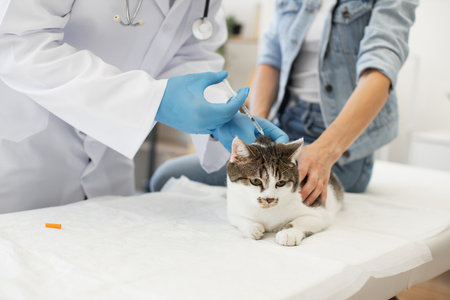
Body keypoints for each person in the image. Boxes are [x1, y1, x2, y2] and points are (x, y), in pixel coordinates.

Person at [0, 0, 288, 213]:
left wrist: (224, 117)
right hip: (28, 153)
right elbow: (18, 42)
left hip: (108, 165)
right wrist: (152, 100)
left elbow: (190, 49)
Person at [150, 0, 418, 205]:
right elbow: (270, 60)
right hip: (282, 127)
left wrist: (324, 154)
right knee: (165, 176)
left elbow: (379, 70)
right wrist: (256, 129)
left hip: (339, 145)